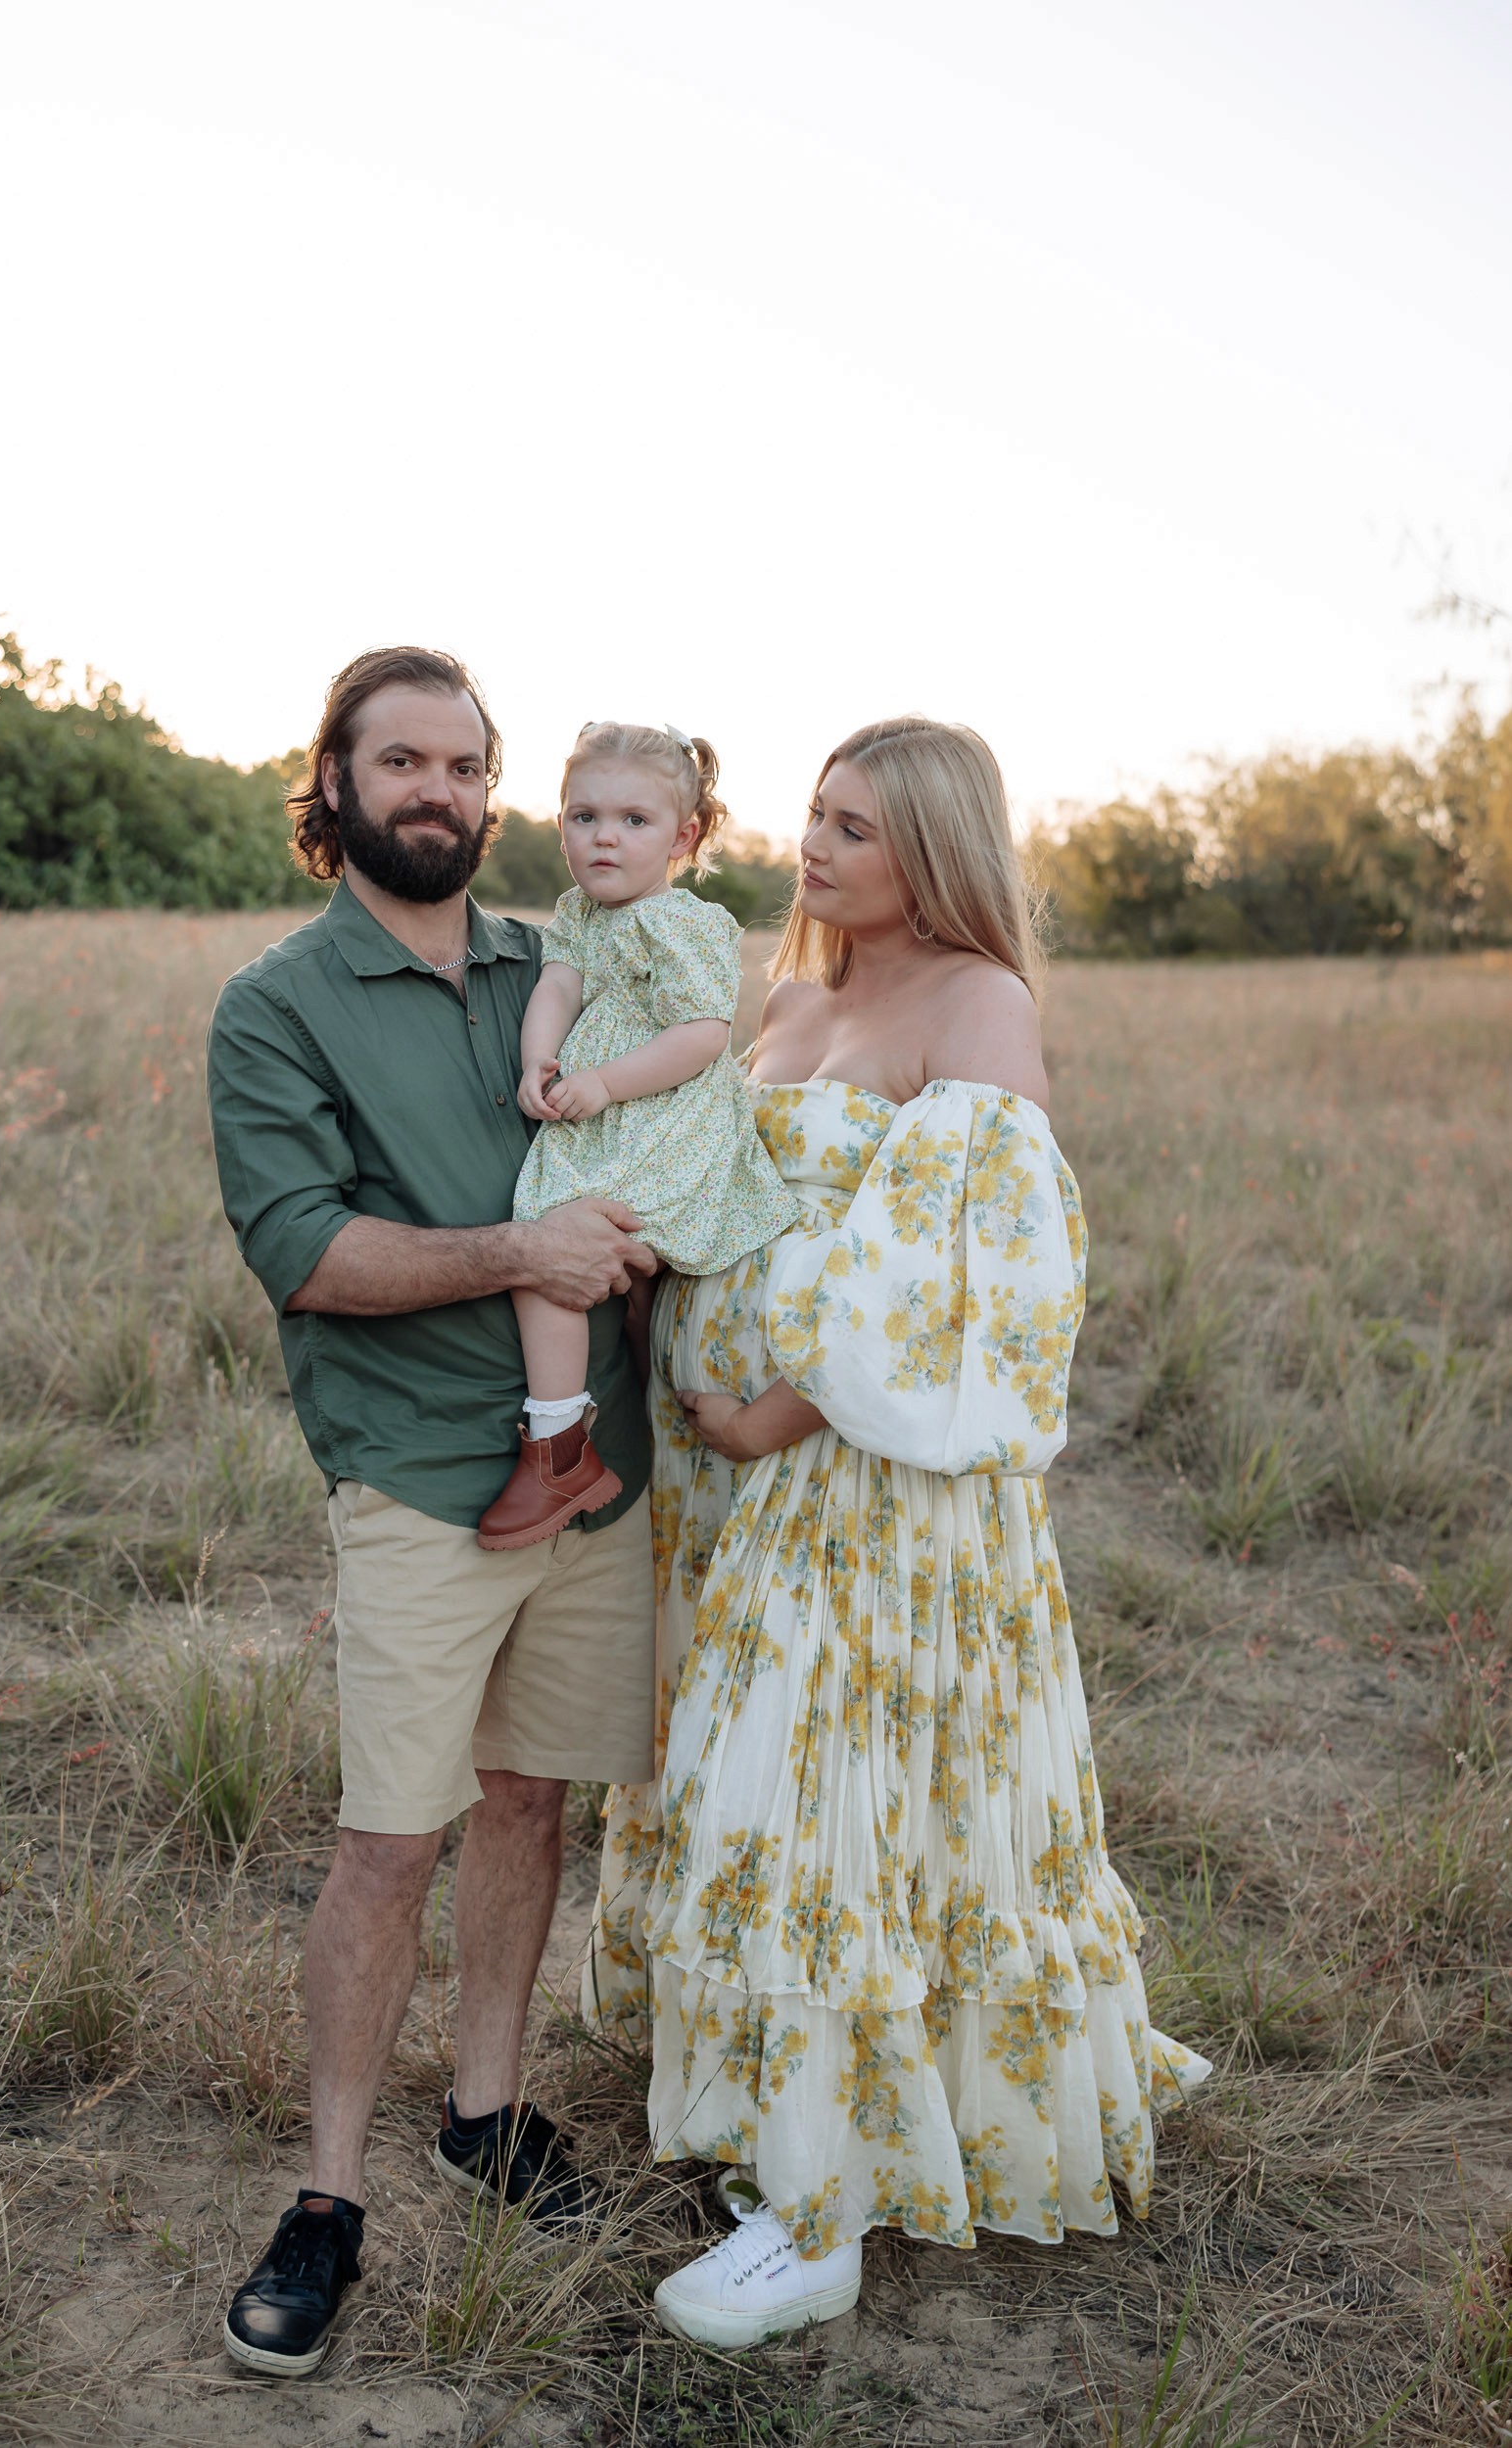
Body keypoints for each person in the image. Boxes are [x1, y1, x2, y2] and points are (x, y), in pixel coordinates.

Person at [585, 715, 1212, 2350]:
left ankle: (816, 2217)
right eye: (811, 815)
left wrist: (773, 1408)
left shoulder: (977, 1004)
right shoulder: (789, 1002)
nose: (811, 847)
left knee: (811, 1807)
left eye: (852, 828)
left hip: (874, 1500)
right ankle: (795, 2119)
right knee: (757, 1793)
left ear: (930, 850)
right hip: (729, 1491)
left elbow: (966, 1286)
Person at [206, 647, 659, 2378]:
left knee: (529, 1802)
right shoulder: (276, 1004)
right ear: (331, 779)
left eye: (468, 767)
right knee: (393, 1839)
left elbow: (677, 1126)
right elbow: (307, 1252)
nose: (440, 794)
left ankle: (485, 2111)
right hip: (417, 1479)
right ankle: (325, 2199)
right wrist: (518, 1255)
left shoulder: (565, 963)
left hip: (597, 1474)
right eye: (403, 762)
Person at [478, 721, 800, 1549]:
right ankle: (602, 1417)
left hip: (667, 1118)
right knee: (578, 1256)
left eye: (633, 821)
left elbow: (701, 1035)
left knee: (551, 1243)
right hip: (603, 1116)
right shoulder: (580, 914)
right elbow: (556, 984)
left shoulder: (683, 921)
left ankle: (556, 1447)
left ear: (682, 836)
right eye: (583, 817)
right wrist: (539, 1062)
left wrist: (604, 1082)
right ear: (559, 826)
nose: (604, 838)